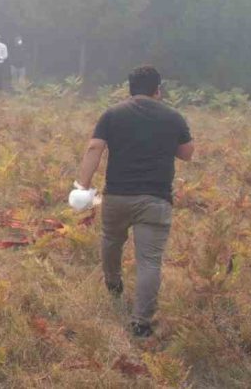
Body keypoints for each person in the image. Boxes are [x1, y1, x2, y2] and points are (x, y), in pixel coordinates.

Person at [74, 65, 194, 338]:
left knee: (111, 241)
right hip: (155, 199)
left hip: (117, 195)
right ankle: (141, 322)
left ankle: (114, 283)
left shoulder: (112, 114)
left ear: (129, 89)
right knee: (149, 261)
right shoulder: (173, 117)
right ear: (158, 90)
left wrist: (83, 185)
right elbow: (187, 153)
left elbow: (94, 148)